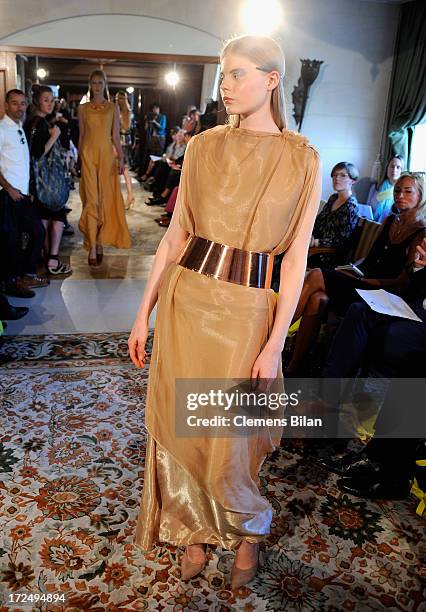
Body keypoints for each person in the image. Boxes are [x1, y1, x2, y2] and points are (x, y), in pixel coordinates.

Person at [128, 35, 321, 588]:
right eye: (222, 74)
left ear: (272, 80)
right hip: (188, 304)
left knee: (231, 440)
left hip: (247, 315)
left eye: (237, 74)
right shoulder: (205, 146)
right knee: (185, 432)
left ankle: (245, 531)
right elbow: (175, 238)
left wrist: (276, 342)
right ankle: (193, 529)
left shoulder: (301, 158)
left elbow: (295, 263)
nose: (225, 85)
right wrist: (144, 313)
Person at [286, 173, 426, 375]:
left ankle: (275, 336)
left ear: (420, 196)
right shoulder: (389, 221)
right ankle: (293, 367)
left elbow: (402, 282)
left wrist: (363, 280)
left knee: (316, 274)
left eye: (408, 191)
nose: (400, 195)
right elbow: (368, 260)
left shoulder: (420, 232)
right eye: (397, 190)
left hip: (384, 292)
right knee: (319, 298)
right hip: (364, 282)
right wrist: (352, 269)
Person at [318, 238, 426, 499]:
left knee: (415, 363)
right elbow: (418, 292)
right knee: (359, 311)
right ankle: (328, 400)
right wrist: (422, 268)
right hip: (416, 312)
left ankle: (388, 471)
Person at [0, 89, 46, 321]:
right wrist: (9, 189)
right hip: (8, 196)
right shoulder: (1, 128)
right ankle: (13, 282)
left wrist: (27, 192)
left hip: (23, 196)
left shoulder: (20, 127)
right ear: (6, 105)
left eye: (23, 104)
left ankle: (21, 274)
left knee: (38, 233)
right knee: (11, 243)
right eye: (15, 103)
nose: (19, 107)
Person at [78, 70, 131, 266]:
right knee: (91, 201)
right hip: (88, 155)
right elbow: (82, 135)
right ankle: (92, 246)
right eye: (94, 82)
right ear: (90, 84)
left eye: (100, 82)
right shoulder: (82, 108)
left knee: (104, 201)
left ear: (105, 84)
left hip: (107, 157)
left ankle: (99, 241)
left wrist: (122, 159)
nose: (97, 86)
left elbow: (116, 136)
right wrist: (78, 158)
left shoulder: (113, 108)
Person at [25, 86, 72, 276]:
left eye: (52, 100)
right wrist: (54, 136)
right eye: (46, 100)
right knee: (57, 217)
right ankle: (52, 261)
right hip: (46, 182)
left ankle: (48, 259)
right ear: (36, 101)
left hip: (38, 182)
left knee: (45, 217)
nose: (50, 103)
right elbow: (38, 154)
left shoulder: (33, 122)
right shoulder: (40, 123)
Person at [309, 161, 359, 268]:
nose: (337, 178)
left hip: (329, 256)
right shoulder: (333, 198)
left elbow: (341, 241)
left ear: (353, 181)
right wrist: (310, 236)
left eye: (343, 175)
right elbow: (318, 222)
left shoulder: (351, 206)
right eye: (335, 175)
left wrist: (315, 242)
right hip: (316, 249)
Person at [367, 155, 404, 222]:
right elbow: (367, 209)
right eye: (392, 166)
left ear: (402, 171)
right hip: (370, 225)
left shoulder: (402, 193)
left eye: (398, 167)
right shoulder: (375, 187)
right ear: (387, 168)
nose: (394, 170)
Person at [116, 90, 134, 210]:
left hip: (119, 143)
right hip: (127, 143)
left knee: (118, 172)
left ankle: (121, 198)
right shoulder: (129, 113)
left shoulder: (118, 113)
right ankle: (129, 196)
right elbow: (132, 130)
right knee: (125, 172)